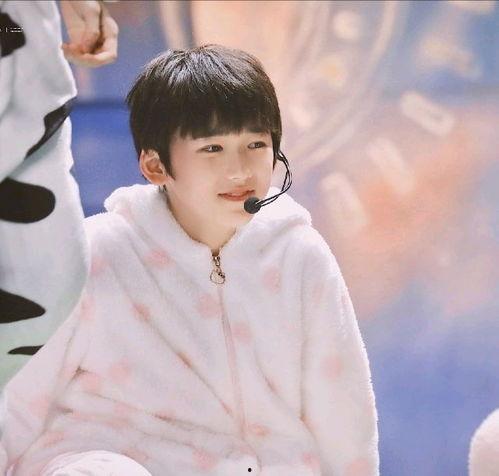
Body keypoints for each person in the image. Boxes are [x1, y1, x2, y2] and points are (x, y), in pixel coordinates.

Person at [0, 44, 379, 475]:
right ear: (155, 166)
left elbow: (342, 410)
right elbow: (18, 392)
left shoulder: (300, 256)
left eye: (256, 144)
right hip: (108, 454)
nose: (240, 170)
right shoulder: (96, 253)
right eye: (212, 148)